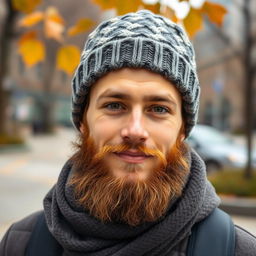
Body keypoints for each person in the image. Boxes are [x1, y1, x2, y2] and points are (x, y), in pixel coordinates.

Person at [1, 10, 255, 256]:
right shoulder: (21, 244)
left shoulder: (234, 249)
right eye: (114, 105)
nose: (135, 130)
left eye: (158, 108)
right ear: (83, 120)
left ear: (182, 129)